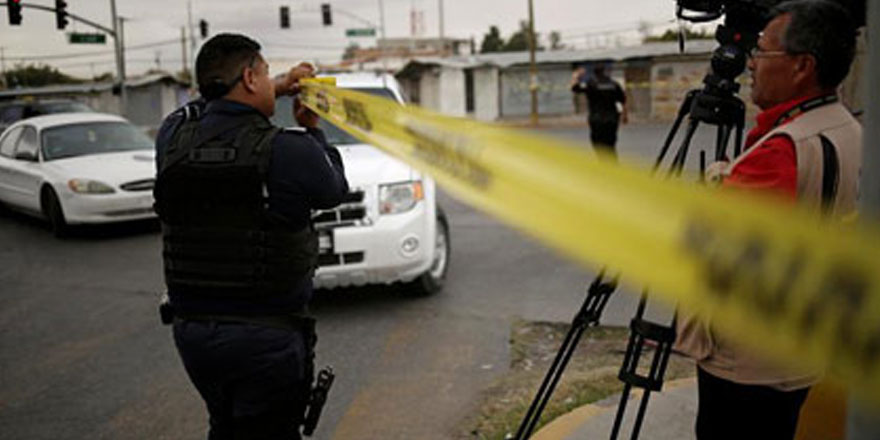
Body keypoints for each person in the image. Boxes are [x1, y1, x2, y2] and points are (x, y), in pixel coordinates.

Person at [676, 1, 861, 439]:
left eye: (762, 51)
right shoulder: (848, 128)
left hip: (746, 362)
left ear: (802, 66)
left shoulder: (782, 150)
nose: (751, 63)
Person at [154, 33, 349, 439]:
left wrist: (273, 84)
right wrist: (312, 129)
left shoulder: (172, 139)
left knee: (225, 426)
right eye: (265, 73)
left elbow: (195, 109)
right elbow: (333, 190)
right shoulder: (290, 149)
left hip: (194, 336)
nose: (271, 82)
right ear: (248, 78)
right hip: (266, 338)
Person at [570, 64, 628, 158]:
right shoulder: (613, 84)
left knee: (598, 146)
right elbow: (623, 100)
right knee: (610, 145)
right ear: (605, 71)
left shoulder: (591, 84)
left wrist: (576, 75)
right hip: (611, 119)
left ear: (594, 73)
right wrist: (625, 116)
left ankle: (603, 164)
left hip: (597, 120)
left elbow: (574, 88)